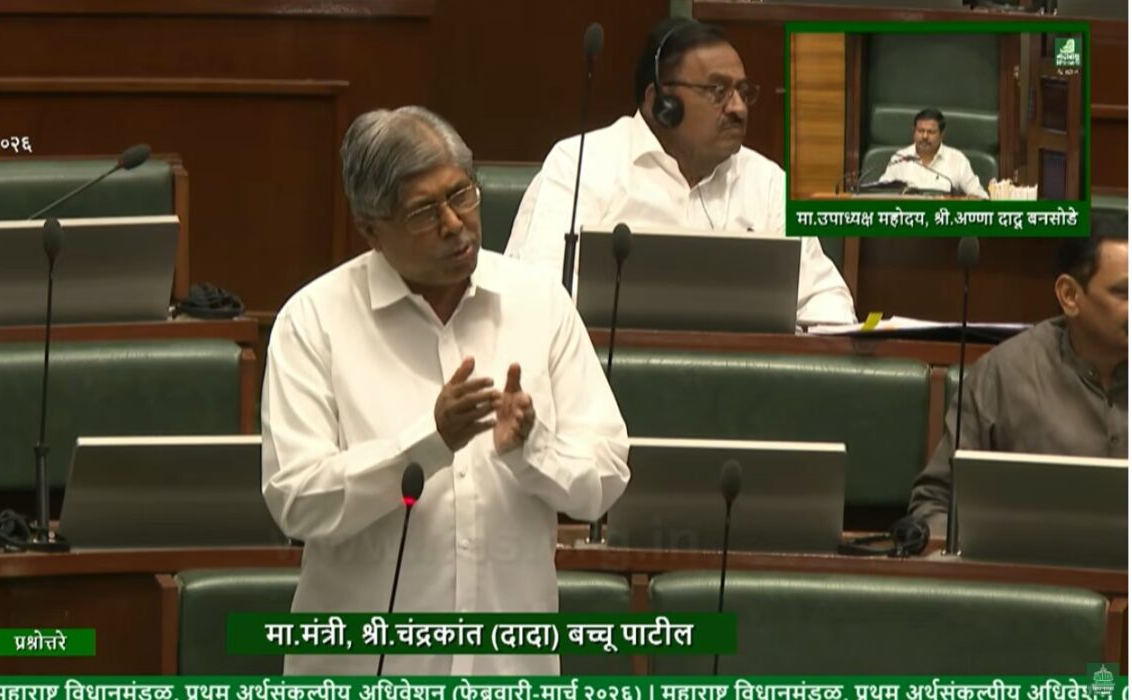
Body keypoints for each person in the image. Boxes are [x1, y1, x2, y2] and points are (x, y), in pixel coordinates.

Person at [261, 106, 631, 675]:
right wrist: (429, 442)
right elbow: (298, 500)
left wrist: (531, 449)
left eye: (462, 195)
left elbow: (603, 478)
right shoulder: (314, 321)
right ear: (370, 228)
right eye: (423, 212)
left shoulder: (540, 304)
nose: (455, 224)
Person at [505, 17, 856, 326]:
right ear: (660, 103)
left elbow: (828, 301)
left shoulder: (766, 183)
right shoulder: (581, 163)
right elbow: (536, 291)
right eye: (717, 91)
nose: (737, 108)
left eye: (743, 92)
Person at [908, 232, 1128, 534]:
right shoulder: (1004, 373)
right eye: (1124, 292)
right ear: (1070, 295)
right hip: (1028, 573)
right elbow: (936, 503)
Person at [877, 108, 990, 200]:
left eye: (931, 132)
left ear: (941, 134)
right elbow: (880, 194)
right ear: (913, 131)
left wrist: (956, 200)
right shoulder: (900, 158)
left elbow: (981, 197)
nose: (925, 136)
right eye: (920, 131)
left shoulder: (957, 159)